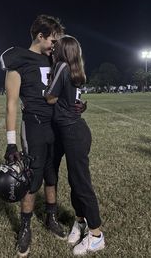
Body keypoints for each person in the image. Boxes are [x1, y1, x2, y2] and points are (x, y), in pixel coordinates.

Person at [0, 14, 67, 257]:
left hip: (56, 124)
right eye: (52, 39)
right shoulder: (19, 60)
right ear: (41, 36)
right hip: (35, 125)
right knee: (31, 179)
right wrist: (10, 144)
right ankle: (25, 227)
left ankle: (51, 218)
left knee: (52, 175)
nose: (54, 45)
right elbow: (11, 104)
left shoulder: (54, 59)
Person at [45, 35, 105, 256]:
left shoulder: (61, 65)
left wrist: (51, 95)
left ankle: (97, 235)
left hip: (73, 132)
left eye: (56, 47)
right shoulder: (75, 68)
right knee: (74, 180)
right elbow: (74, 100)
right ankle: (80, 222)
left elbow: (50, 96)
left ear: (63, 51)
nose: (52, 49)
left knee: (81, 184)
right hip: (73, 130)